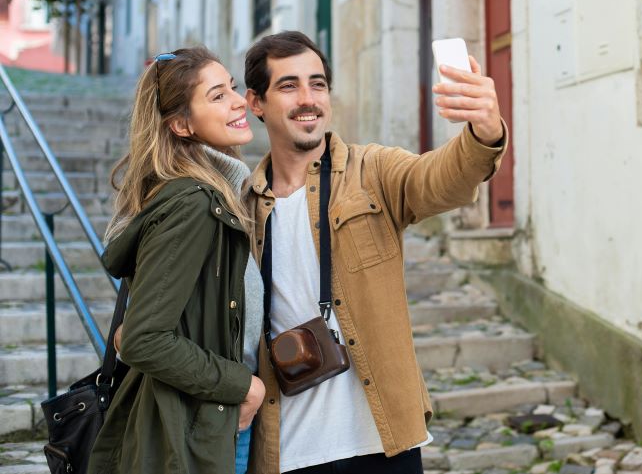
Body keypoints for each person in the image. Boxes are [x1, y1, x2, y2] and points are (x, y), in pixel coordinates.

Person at [242, 31, 507, 474]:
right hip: (285, 450)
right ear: (256, 102)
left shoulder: (374, 170)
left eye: (318, 83)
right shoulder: (241, 206)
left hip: (383, 443)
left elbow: (442, 177)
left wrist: (485, 129)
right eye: (288, 86)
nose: (308, 98)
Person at [88, 47, 266, 474]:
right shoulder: (192, 202)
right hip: (200, 424)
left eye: (233, 89)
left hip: (208, 415)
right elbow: (144, 339)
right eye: (218, 95)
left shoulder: (216, 191)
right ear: (182, 125)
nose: (239, 101)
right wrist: (245, 386)